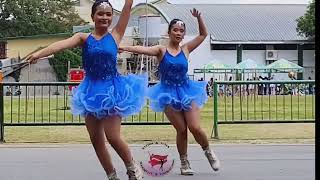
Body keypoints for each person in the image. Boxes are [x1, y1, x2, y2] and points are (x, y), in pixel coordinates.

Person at [26, 0, 145, 179]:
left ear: (112, 17)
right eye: (100, 13)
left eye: (108, 14)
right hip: (90, 92)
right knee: (96, 140)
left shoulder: (116, 35)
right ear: (92, 17)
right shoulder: (83, 38)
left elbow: (128, 7)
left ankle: (132, 168)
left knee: (112, 136)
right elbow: (60, 45)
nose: (104, 17)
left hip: (113, 91)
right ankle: (111, 175)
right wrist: (38, 54)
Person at [120, 8, 220, 176]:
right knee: (181, 129)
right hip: (167, 93)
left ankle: (208, 151)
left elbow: (203, 35)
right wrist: (124, 48)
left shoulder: (186, 49)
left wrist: (199, 17)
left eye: (182, 31)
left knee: (194, 127)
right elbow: (142, 49)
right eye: (175, 30)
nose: (179, 33)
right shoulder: (161, 50)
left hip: (187, 90)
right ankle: (184, 161)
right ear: (169, 32)